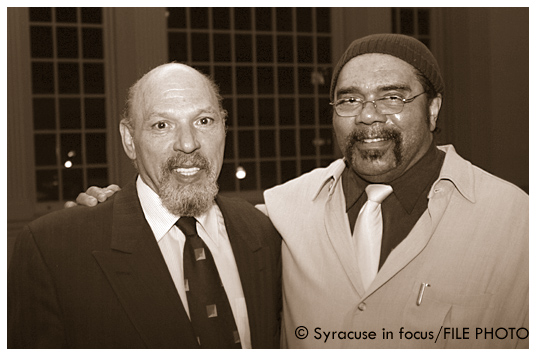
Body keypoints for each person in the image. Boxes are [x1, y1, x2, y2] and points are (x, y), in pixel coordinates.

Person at [71, 34, 529, 348]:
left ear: (432, 109)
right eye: (349, 100)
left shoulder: (515, 221)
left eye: (392, 97)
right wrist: (114, 210)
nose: (368, 116)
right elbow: (186, 217)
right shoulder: (284, 210)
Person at [7, 63, 282, 348]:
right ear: (129, 140)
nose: (188, 144)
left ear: (224, 128)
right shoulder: (54, 250)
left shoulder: (262, 231)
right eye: (161, 125)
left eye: (204, 121)